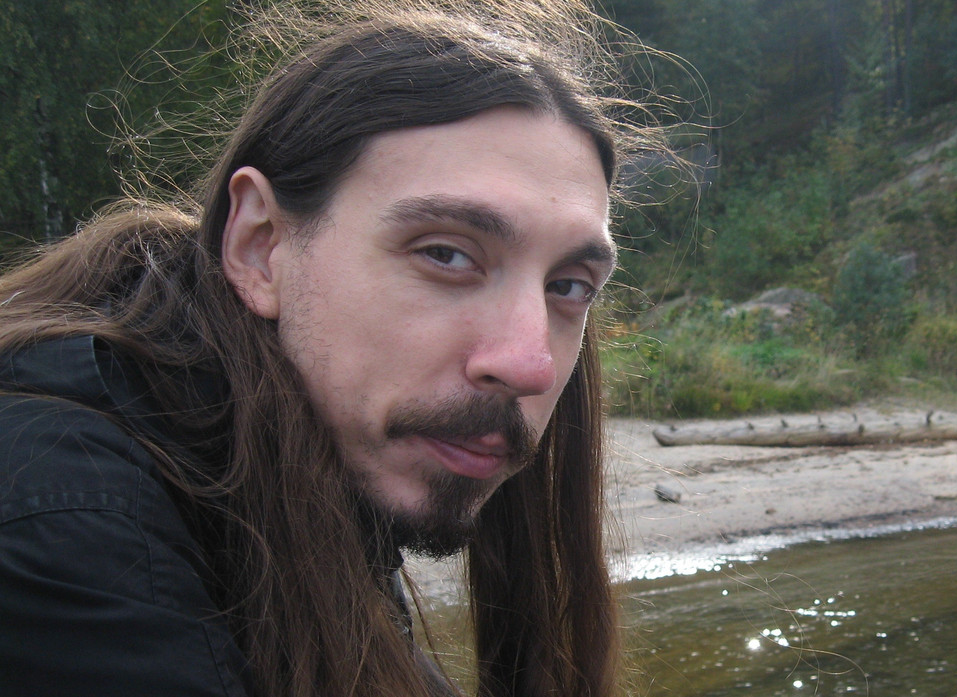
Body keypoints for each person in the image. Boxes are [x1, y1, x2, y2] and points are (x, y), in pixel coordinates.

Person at [0, 1, 677, 695]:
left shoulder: (303, 478)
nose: (530, 364)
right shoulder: (62, 524)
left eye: (568, 286)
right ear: (259, 246)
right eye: (446, 254)